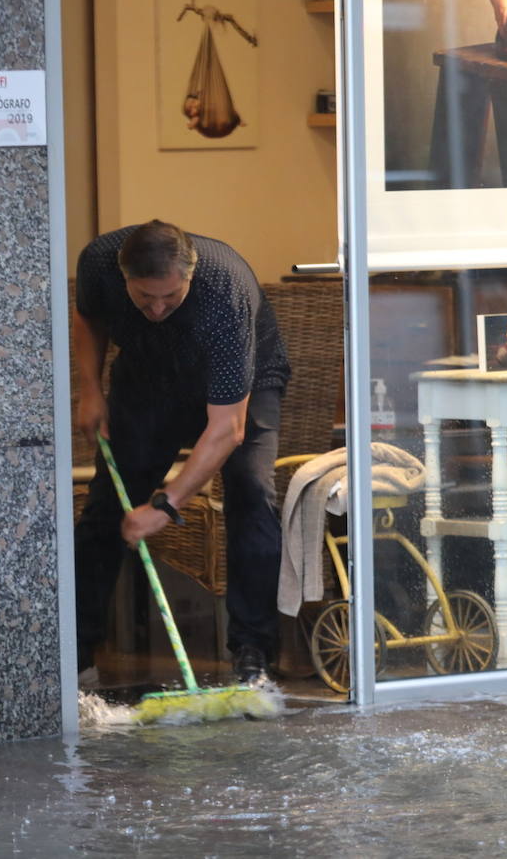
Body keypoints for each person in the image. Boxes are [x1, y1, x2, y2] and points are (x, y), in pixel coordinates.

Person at [72, 219, 291, 685]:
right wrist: (89, 388)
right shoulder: (97, 262)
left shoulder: (223, 292)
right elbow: (89, 318)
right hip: (149, 375)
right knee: (108, 503)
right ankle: (75, 651)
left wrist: (166, 506)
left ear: (189, 278)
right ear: (123, 275)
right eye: (143, 297)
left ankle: (252, 653)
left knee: (250, 490)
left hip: (243, 385)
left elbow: (227, 428)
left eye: (169, 298)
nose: (155, 308)